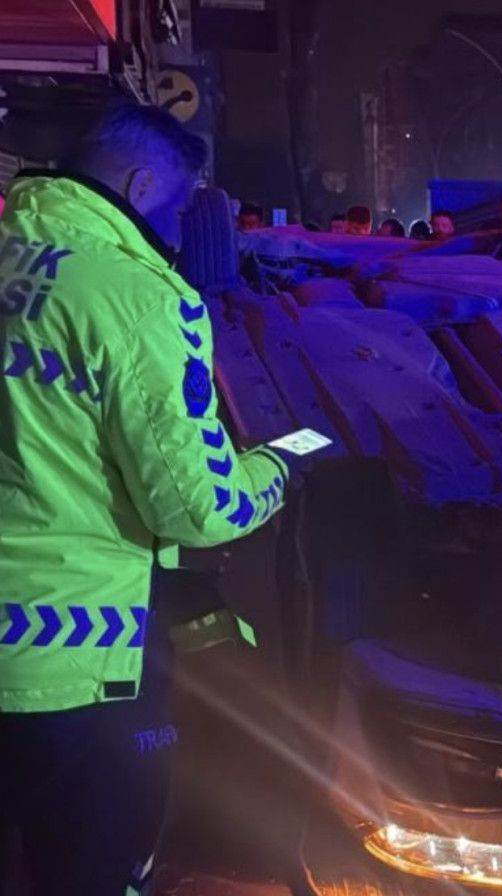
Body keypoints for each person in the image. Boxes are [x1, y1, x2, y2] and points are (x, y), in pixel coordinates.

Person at [0, 102, 295, 894]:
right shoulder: (136, 295)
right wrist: (275, 470)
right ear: (138, 186)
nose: (175, 228)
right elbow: (198, 510)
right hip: (76, 671)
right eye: (177, 205)